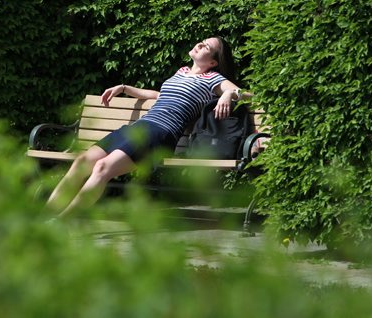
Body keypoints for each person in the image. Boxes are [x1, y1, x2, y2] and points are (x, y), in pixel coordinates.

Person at [45, 36, 252, 220]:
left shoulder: (213, 80)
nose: (199, 44)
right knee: (82, 162)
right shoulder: (181, 72)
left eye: (206, 46)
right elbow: (158, 95)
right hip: (138, 127)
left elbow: (246, 94)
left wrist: (227, 94)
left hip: (160, 133)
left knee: (102, 168)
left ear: (213, 62)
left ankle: (62, 222)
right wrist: (124, 88)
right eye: (202, 41)